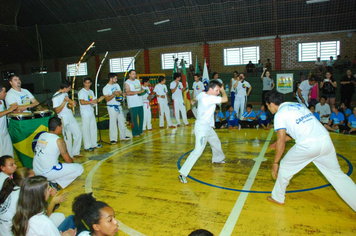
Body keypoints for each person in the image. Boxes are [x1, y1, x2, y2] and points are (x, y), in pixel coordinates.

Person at [265, 91, 356, 211]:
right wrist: (282, 140)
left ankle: (278, 197)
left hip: (308, 145)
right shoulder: (298, 105)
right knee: (337, 176)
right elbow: (301, 129)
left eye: (267, 106)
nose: (269, 109)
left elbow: (281, 140)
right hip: (325, 140)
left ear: (271, 104)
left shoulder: (279, 114)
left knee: (285, 165)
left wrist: (275, 162)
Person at [178, 80, 228, 184]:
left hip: (208, 127)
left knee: (216, 142)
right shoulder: (209, 99)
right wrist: (223, 91)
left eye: (219, 90)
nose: (218, 92)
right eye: (217, 90)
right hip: (202, 129)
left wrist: (193, 101)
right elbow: (225, 99)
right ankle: (182, 173)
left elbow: (196, 98)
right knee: (197, 151)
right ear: (210, 89)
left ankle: (217, 159)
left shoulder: (202, 94)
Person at [12, 176, 76, 236]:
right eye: (48, 189)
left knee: (70, 218)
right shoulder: (45, 223)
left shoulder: (23, 211)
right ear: (42, 195)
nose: (51, 189)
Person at [33, 117, 84, 189]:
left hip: (36, 171)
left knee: (58, 164)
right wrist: (73, 165)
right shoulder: (58, 141)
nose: (62, 128)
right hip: (47, 173)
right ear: (57, 127)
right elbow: (68, 161)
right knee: (79, 168)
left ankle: (52, 180)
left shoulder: (42, 135)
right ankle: (55, 183)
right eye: (61, 126)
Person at [52, 81, 83, 157]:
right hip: (63, 117)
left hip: (70, 116)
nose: (69, 90)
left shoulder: (65, 93)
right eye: (68, 88)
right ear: (65, 88)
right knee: (68, 137)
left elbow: (68, 100)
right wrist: (64, 102)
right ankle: (69, 155)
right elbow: (57, 110)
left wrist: (72, 102)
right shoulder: (56, 96)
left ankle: (75, 151)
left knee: (78, 133)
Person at [0, 168, 34, 235]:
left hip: (4, 228)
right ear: (23, 183)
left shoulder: (11, 188)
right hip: (10, 231)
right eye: (33, 179)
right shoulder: (23, 195)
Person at [103, 73, 130, 144]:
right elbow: (107, 99)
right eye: (115, 78)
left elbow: (120, 92)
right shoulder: (106, 88)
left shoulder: (117, 85)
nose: (116, 80)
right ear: (110, 79)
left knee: (121, 121)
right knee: (113, 122)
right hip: (111, 106)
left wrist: (122, 94)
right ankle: (113, 138)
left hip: (118, 105)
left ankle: (123, 136)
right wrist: (114, 94)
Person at [78, 78, 104, 152]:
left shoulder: (91, 92)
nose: (87, 84)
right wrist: (92, 102)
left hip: (91, 112)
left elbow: (94, 102)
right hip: (85, 113)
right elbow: (82, 102)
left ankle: (94, 143)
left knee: (93, 128)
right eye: (86, 83)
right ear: (83, 83)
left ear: (90, 83)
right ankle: (87, 146)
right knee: (86, 129)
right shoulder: (81, 92)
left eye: (88, 83)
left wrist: (99, 99)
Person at [125, 69, 145, 137]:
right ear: (129, 75)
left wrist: (142, 90)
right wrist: (137, 92)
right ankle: (135, 132)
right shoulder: (127, 83)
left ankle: (140, 130)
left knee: (141, 118)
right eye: (133, 74)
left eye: (135, 74)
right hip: (132, 104)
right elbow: (127, 92)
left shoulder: (137, 81)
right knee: (134, 119)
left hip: (140, 102)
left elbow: (141, 88)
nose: (134, 75)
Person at [0, 84, 17, 156]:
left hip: (5, 133)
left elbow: (3, 114)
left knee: (9, 155)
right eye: (4, 92)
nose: (6, 93)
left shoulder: (2, 102)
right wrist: (9, 110)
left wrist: (11, 112)